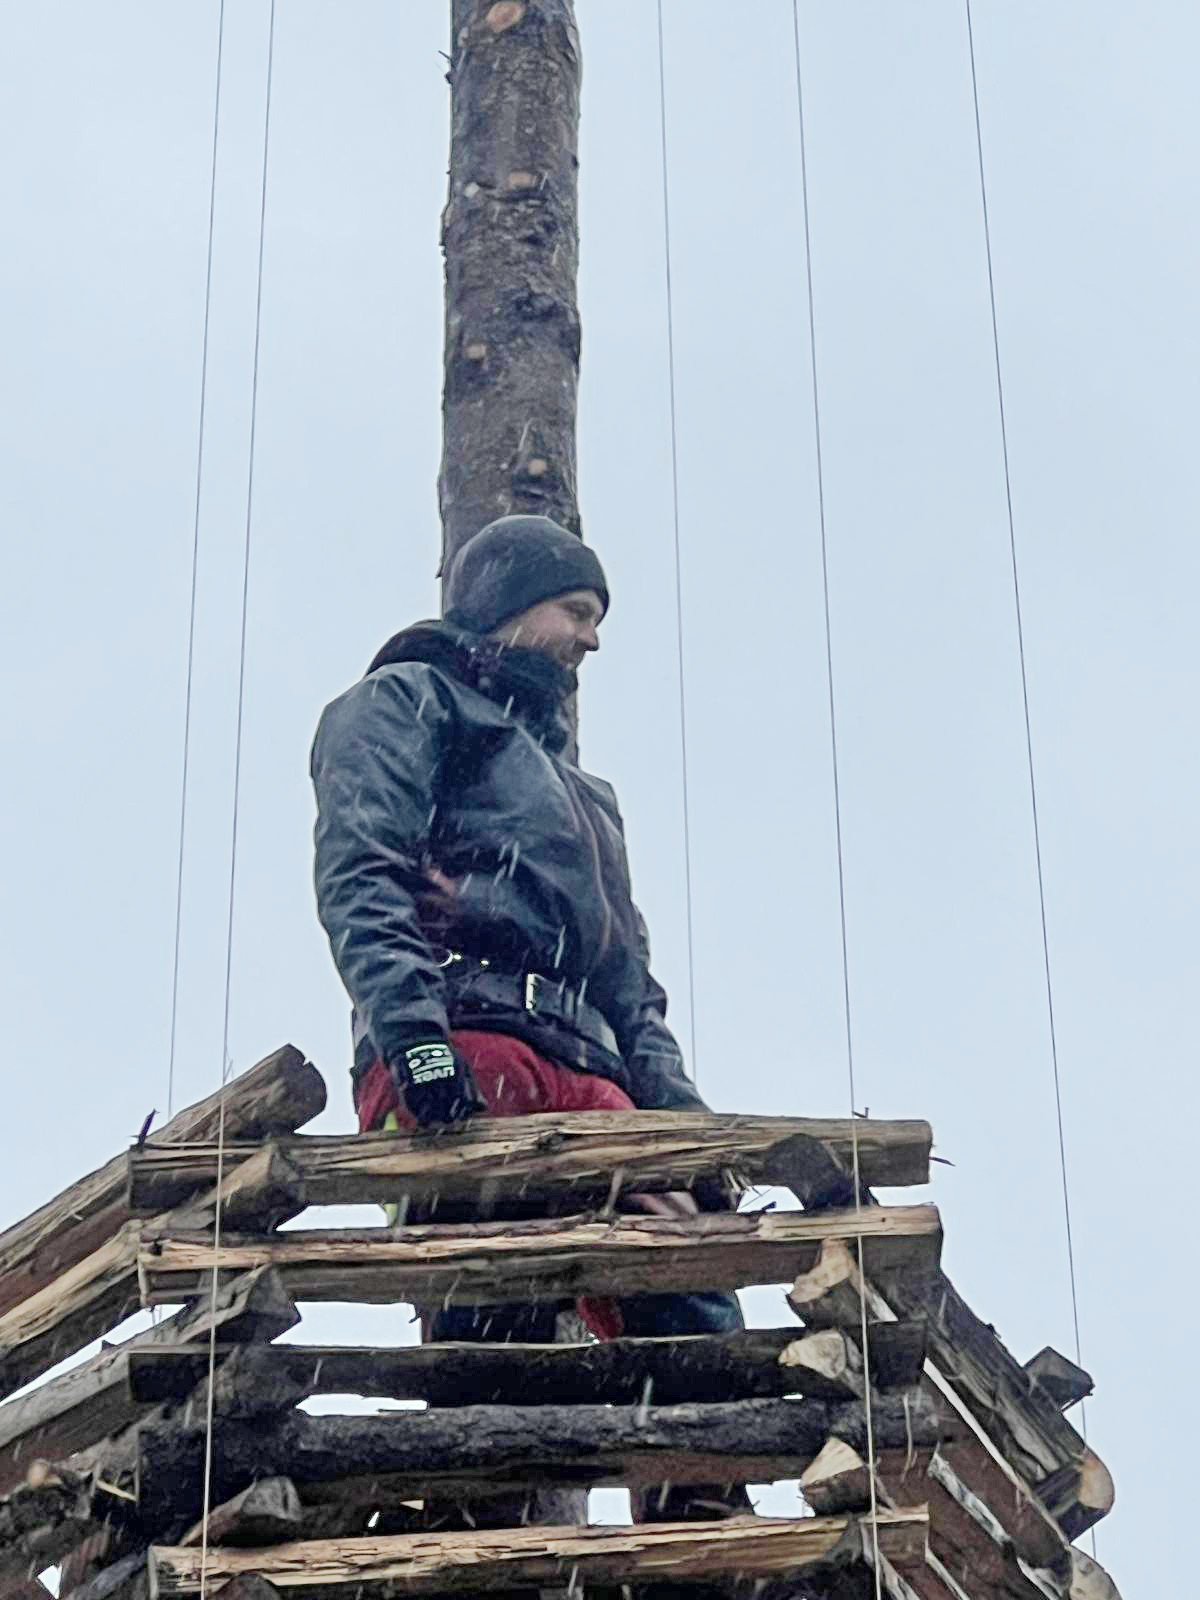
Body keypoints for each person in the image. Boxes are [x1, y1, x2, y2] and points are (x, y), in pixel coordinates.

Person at [311, 513, 748, 1520]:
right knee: (493, 1273)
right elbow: (363, 874)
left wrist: (688, 1137)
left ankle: (697, 1517)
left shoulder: (585, 795)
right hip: (469, 1040)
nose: (591, 639)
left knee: (682, 1269)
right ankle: (479, 1511)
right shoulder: (406, 703)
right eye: (576, 611)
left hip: (590, 1069)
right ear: (508, 602)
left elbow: (632, 988)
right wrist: (415, 1040)